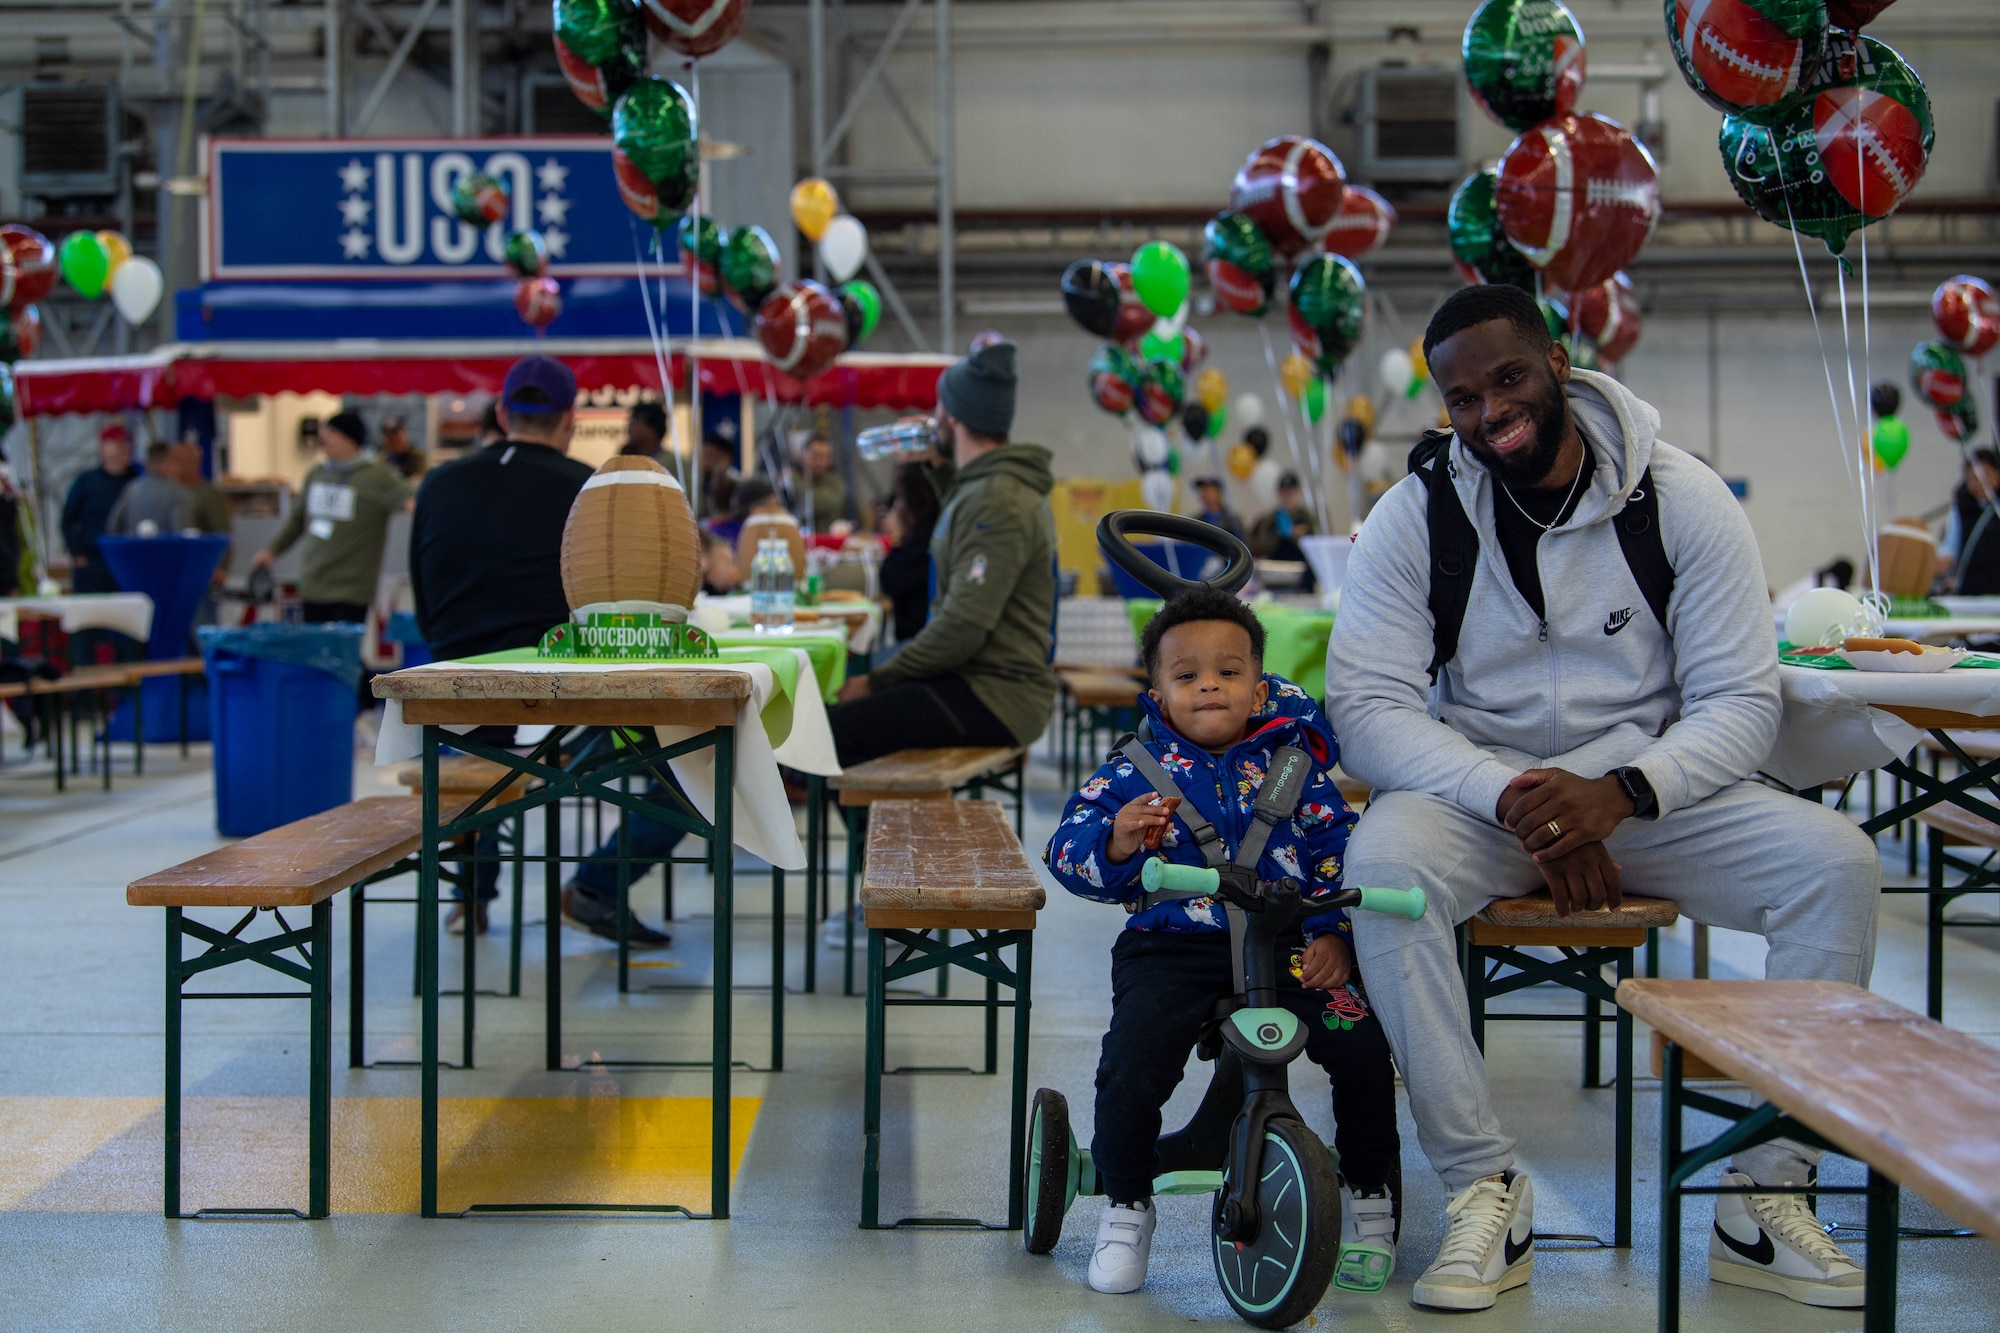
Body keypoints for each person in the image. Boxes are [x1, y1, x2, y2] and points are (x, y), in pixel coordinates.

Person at [1325, 284, 1881, 1312]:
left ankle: (1764, 1192)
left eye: (1505, 377)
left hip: (1648, 796)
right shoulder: (1416, 514)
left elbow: (1738, 699)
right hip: (1479, 799)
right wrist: (1514, 798)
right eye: (1460, 396)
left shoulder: (1680, 498)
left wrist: (1623, 789)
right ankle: (1481, 1186)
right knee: (1381, 869)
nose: (1489, 411)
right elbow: (1363, 707)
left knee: (1834, 864)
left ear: (1556, 362)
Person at [1044, 587, 1399, 1296]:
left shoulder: (1295, 766)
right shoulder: (1131, 773)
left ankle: (1369, 1194)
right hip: (1175, 945)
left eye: (1229, 671)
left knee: (1362, 1049)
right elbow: (1066, 850)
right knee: (1132, 1062)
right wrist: (1116, 840)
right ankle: (1126, 1203)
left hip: (1290, 941)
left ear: (1258, 686)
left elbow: (1337, 848)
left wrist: (1335, 931)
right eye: (1187, 675)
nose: (1210, 683)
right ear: (1159, 694)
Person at [410, 356, 671, 944]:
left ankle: (471, 892)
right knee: (697, 755)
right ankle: (598, 885)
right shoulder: (591, 489)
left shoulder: (437, 484)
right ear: (570, 421)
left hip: (453, 703)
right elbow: (617, 611)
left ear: (502, 414)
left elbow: (426, 608)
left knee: (475, 754)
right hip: (562, 714)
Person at [829, 339, 1058, 766]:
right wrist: (936, 468)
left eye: (938, 410)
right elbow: (961, 514)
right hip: (976, 683)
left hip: (996, 697)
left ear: (952, 417)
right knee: (840, 712)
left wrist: (877, 683)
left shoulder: (998, 500)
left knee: (831, 731)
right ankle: (873, 828)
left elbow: (960, 631)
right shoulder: (986, 489)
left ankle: (872, 828)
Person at [254, 413, 413, 624]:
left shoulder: (375, 477)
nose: (324, 438)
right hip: (314, 584)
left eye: (332, 432)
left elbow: (412, 501)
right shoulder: (316, 474)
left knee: (342, 652)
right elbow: (296, 520)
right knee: (315, 653)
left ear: (350, 439)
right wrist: (272, 551)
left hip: (352, 589)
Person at [62, 424, 136, 592]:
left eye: (126, 443)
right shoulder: (87, 481)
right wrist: (77, 553)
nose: (123, 448)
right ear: (103, 447)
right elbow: (68, 519)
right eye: (117, 443)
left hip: (127, 560)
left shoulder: (136, 480)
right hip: (93, 561)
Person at [877, 462, 940, 643]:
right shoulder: (938, 526)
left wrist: (899, 537)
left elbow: (889, 580)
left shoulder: (923, 538)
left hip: (918, 641)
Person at [1938, 447, 2000, 594]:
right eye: (1973, 479)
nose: (1979, 484)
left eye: (1985, 476)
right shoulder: (1961, 508)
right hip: (1971, 591)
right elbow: (1950, 548)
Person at [106, 440, 195, 537]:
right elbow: (181, 533)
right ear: (167, 462)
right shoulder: (178, 492)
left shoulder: (132, 488)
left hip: (134, 551)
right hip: (167, 551)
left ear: (147, 463)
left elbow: (113, 527)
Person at [1249, 471, 1316, 562]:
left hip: (1302, 565)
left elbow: (1314, 545)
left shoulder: (1306, 517)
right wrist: (1280, 533)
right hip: (1278, 565)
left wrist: (1292, 534)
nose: (1287, 496)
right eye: (1284, 492)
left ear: (1298, 491)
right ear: (1279, 493)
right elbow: (1264, 547)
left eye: (1290, 492)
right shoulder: (1270, 518)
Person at [797, 434, 847, 530]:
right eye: (815, 456)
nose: (820, 462)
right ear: (803, 455)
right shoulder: (791, 481)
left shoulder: (835, 484)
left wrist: (792, 480)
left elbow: (814, 504)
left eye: (825, 457)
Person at [1191, 475, 1245, 545]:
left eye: (1207, 490)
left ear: (1218, 492)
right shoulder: (1195, 521)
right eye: (1202, 490)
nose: (1203, 494)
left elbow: (1243, 545)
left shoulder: (1233, 521)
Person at [699, 433, 739, 522]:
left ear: (726, 458)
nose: (704, 462)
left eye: (710, 456)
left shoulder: (737, 484)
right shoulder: (700, 483)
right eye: (703, 456)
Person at [380, 414, 427, 478]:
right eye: (390, 436)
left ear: (405, 434)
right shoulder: (381, 458)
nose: (394, 440)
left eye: (397, 435)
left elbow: (420, 479)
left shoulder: (417, 456)